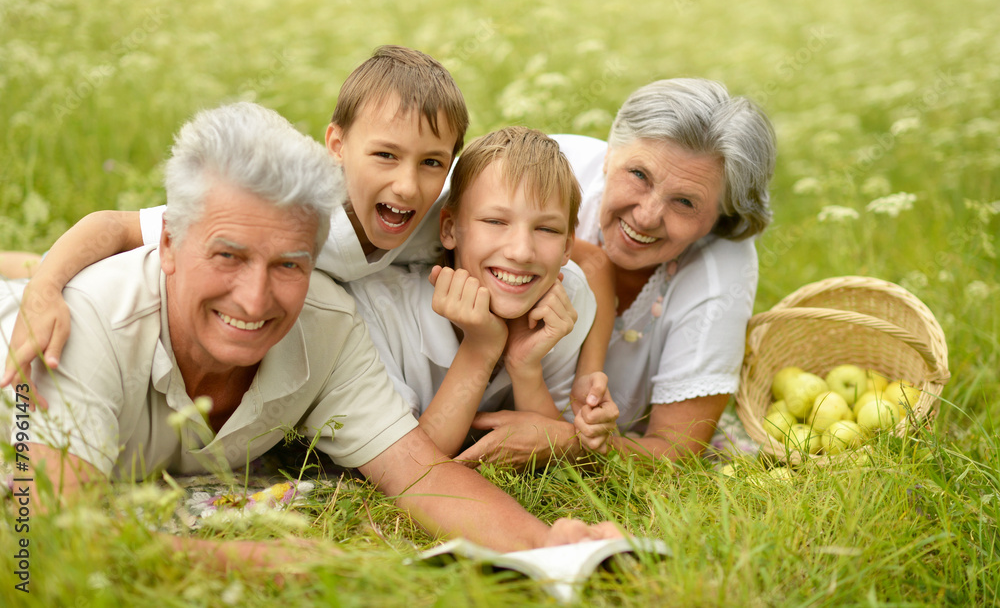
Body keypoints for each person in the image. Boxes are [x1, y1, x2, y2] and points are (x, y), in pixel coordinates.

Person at [0, 103, 620, 571]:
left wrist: (548, 545)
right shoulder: (83, 325)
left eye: (289, 265)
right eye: (228, 256)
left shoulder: (328, 324)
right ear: (168, 244)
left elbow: (420, 472)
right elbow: (49, 536)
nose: (255, 299)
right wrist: (251, 561)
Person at [1, 46, 613, 417]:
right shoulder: (298, 209)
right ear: (336, 146)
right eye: (384, 156)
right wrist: (45, 290)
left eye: (432, 162)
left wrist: (588, 373)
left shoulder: (446, 211)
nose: (407, 185)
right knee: (54, 281)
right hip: (158, 295)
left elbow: (584, 260)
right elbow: (113, 227)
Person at [456, 78, 776, 467]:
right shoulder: (540, 176)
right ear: (609, 154)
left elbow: (677, 451)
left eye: (685, 201)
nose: (647, 216)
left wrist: (565, 443)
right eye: (639, 175)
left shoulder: (721, 269)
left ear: (719, 218)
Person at [347, 127, 619, 459]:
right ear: (449, 229)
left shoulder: (566, 299)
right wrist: (480, 347)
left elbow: (555, 442)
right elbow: (407, 465)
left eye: (546, 229)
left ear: (566, 247)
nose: (521, 252)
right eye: (495, 221)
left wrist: (525, 367)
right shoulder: (378, 306)